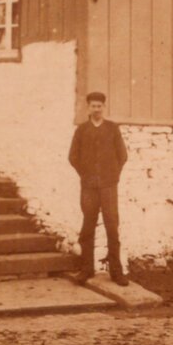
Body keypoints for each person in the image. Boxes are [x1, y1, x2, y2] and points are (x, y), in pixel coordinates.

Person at [68, 91, 129, 286]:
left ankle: (116, 272)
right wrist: (86, 175)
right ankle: (86, 269)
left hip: (109, 187)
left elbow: (122, 156)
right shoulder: (82, 130)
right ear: (89, 108)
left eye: (99, 106)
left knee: (112, 227)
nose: (97, 109)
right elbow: (73, 157)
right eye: (93, 106)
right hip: (89, 187)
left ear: (104, 107)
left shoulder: (112, 129)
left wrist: (112, 176)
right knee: (88, 227)